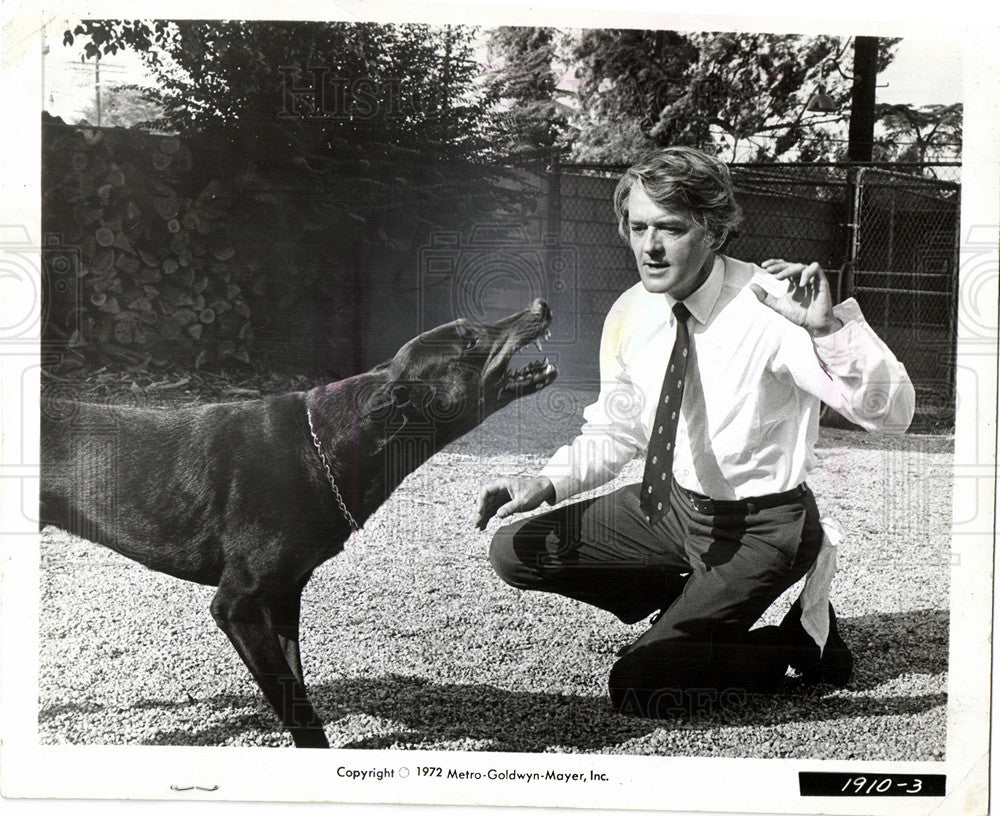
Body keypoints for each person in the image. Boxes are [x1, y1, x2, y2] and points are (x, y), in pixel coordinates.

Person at [476, 146, 914, 717]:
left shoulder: (774, 308)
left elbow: (893, 414)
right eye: (637, 227)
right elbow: (618, 428)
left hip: (762, 527)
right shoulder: (633, 309)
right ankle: (695, 610)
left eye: (671, 228)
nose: (649, 247)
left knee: (641, 685)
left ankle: (801, 641)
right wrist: (545, 481)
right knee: (518, 550)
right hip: (671, 508)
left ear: (714, 231)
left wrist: (829, 329)